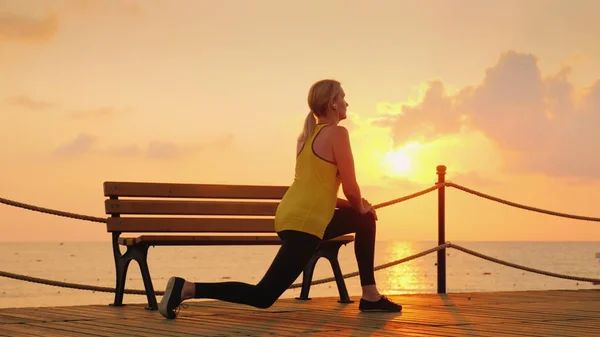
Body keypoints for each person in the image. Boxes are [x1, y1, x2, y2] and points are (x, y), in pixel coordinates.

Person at [158, 79, 402, 319]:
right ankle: (187, 288)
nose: (347, 103)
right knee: (263, 296)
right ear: (333, 104)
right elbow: (350, 186)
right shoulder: (338, 134)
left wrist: (357, 209)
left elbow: (318, 188)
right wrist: (359, 205)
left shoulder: (306, 138)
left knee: (365, 219)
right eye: (343, 97)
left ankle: (370, 296)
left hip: (294, 216)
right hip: (305, 224)